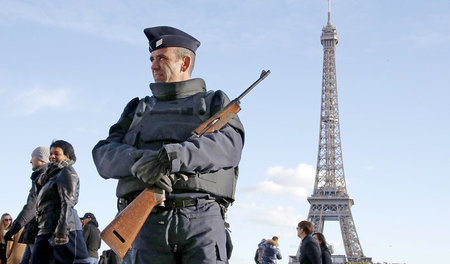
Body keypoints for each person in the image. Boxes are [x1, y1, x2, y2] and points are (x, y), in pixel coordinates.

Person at [92, 26, 245, 264]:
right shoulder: (137, 109)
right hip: (145, 223)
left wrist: (170, 157)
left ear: (184, 63)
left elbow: (228, 146)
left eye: (161, 58)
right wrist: (140, 163)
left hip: (201, 221)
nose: (153, 64)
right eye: (152, 58)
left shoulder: (215, 103)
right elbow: (103, 155)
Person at [30, 140, 89, 264]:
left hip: (63, 229)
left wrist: (62, 231)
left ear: (67, 156)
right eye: (51, 153)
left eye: (56, 154)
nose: (52, 156)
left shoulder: (66, 172)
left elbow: (67, 202)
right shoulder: (50, 175)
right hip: (47, 227)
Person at [4, 146, 50, 264]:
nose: (30, 161)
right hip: (36, 231)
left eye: (32, 157)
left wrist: (13, 229)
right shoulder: (43, 176)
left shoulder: (42, 178)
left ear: (41, 159)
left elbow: (31, 207)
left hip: (37, 231)